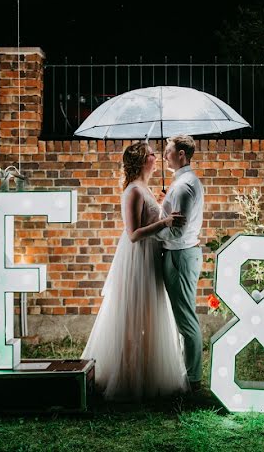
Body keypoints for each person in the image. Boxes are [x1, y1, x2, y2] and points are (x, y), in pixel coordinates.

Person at [82, 141, 189, 400]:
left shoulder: (145, 189)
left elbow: (150, 221)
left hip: (151, 256)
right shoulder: (133, 191)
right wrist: (164, 220)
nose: (158, 157)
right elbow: (132, 234)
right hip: (137, 258)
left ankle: (146, 373)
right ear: (143, 161)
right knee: (132, 318)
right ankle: (128, 377)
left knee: (149, 317)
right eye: (153, 154)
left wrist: (162, 206)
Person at [155, 135, 205, 391]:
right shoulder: (181, 184)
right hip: (179, 254)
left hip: (180, 255)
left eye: (168, 151)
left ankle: (193, 379)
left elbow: (177, 232)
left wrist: (149, 230)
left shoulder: (184, 186)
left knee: (186, 318)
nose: (164, 155)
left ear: (182, 154)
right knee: (181, 316)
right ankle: (189, 374)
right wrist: (166, 202)